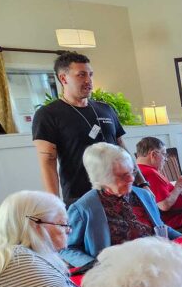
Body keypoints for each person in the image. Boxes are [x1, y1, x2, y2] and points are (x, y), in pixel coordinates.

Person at [33, 52, 143, 206]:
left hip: (122, 193)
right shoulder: (48, 114)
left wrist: (142, 183)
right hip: (83, 198)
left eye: (90, 75)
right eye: (81, 75)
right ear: (63, 78)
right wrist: (54, 205)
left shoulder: (106, 109)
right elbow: (47, 162)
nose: (89, 80)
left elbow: (123, 149)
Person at [62, 143, 181, 267]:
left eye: (131, 172)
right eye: (122, 176)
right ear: (102, 178)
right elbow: (67, 248)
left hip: (158, 261)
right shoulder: (83, 208)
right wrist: (95, 266)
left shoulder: (144, 195)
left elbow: (161, 227)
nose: (131, 179)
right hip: (118, 272)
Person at [135, 137, 182, 229]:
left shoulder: (138, 171)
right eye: (164, 154)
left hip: (152, 221)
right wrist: (179, 186)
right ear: (153, 154)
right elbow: (164, 205)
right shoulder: (151, 174)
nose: (166, 159)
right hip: (173, 220)